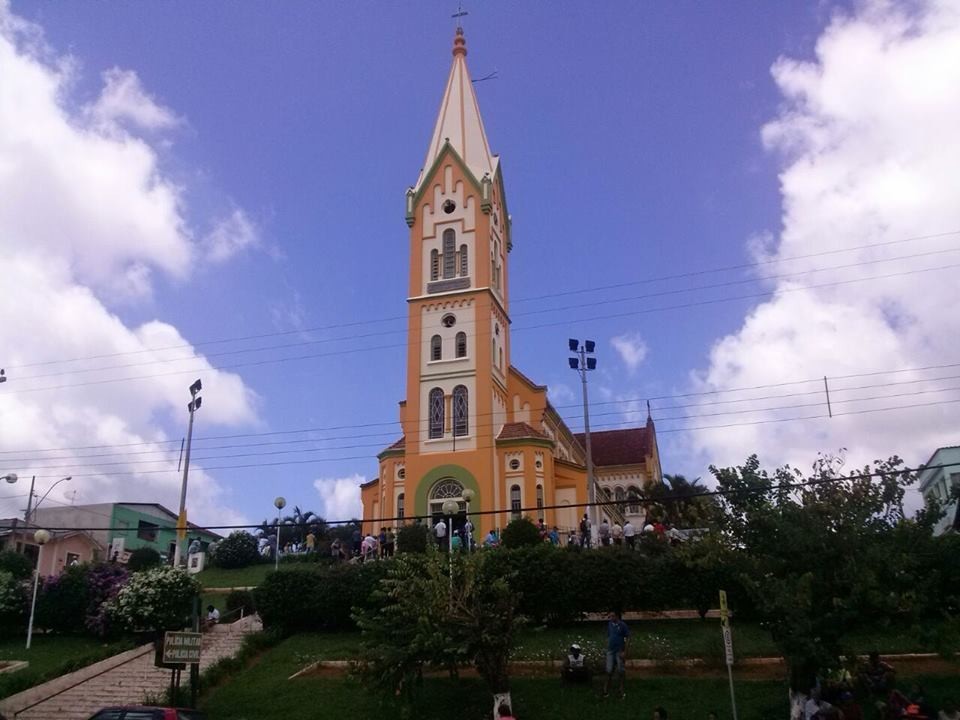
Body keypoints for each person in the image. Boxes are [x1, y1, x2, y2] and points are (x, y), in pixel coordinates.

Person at [603, 610, 629, 698]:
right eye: (610, 616)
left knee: (621, 671)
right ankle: (605, 690)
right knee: (609, 670)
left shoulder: (622, 625)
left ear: (617, 616)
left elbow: (628, 638)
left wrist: (625, 651)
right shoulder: (610, 624)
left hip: (619, 651)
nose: (611, 618)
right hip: (610, 650)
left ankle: (621, 690)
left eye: (613, 616)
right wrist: (607, 646)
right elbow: (608, 635)